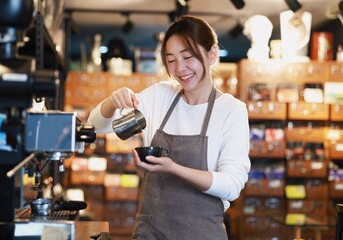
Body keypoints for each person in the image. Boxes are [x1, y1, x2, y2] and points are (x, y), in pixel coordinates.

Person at [88, 15, 251, 240]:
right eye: (171, 59)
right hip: (150, 234)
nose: (179, 69)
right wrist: (111, 102)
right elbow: (97, 127)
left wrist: (174, 168)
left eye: (188, 57)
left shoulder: (231, 110)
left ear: (212, 54)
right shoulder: (160, 96)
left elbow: (232, 185)